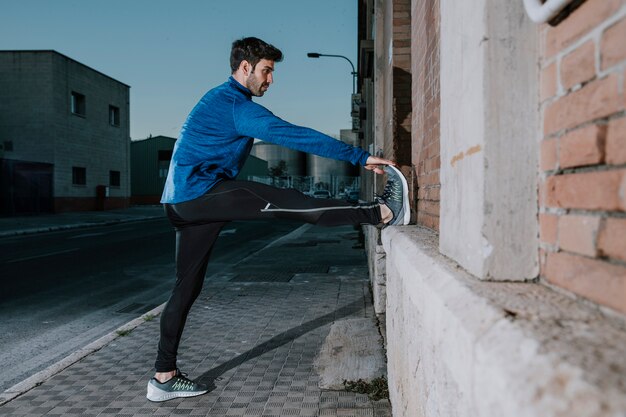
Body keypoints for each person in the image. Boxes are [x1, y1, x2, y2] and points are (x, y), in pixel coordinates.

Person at [146, 36, 409, 402]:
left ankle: (163, 377)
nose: (271, 79)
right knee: (292, 202)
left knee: (185, 289)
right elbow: (293, 135)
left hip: (180, 203)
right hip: (200, 195)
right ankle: (382, 212)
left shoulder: (219, 100)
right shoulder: (236, 105)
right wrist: (360, 156)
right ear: (244, 68)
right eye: (266, 71)